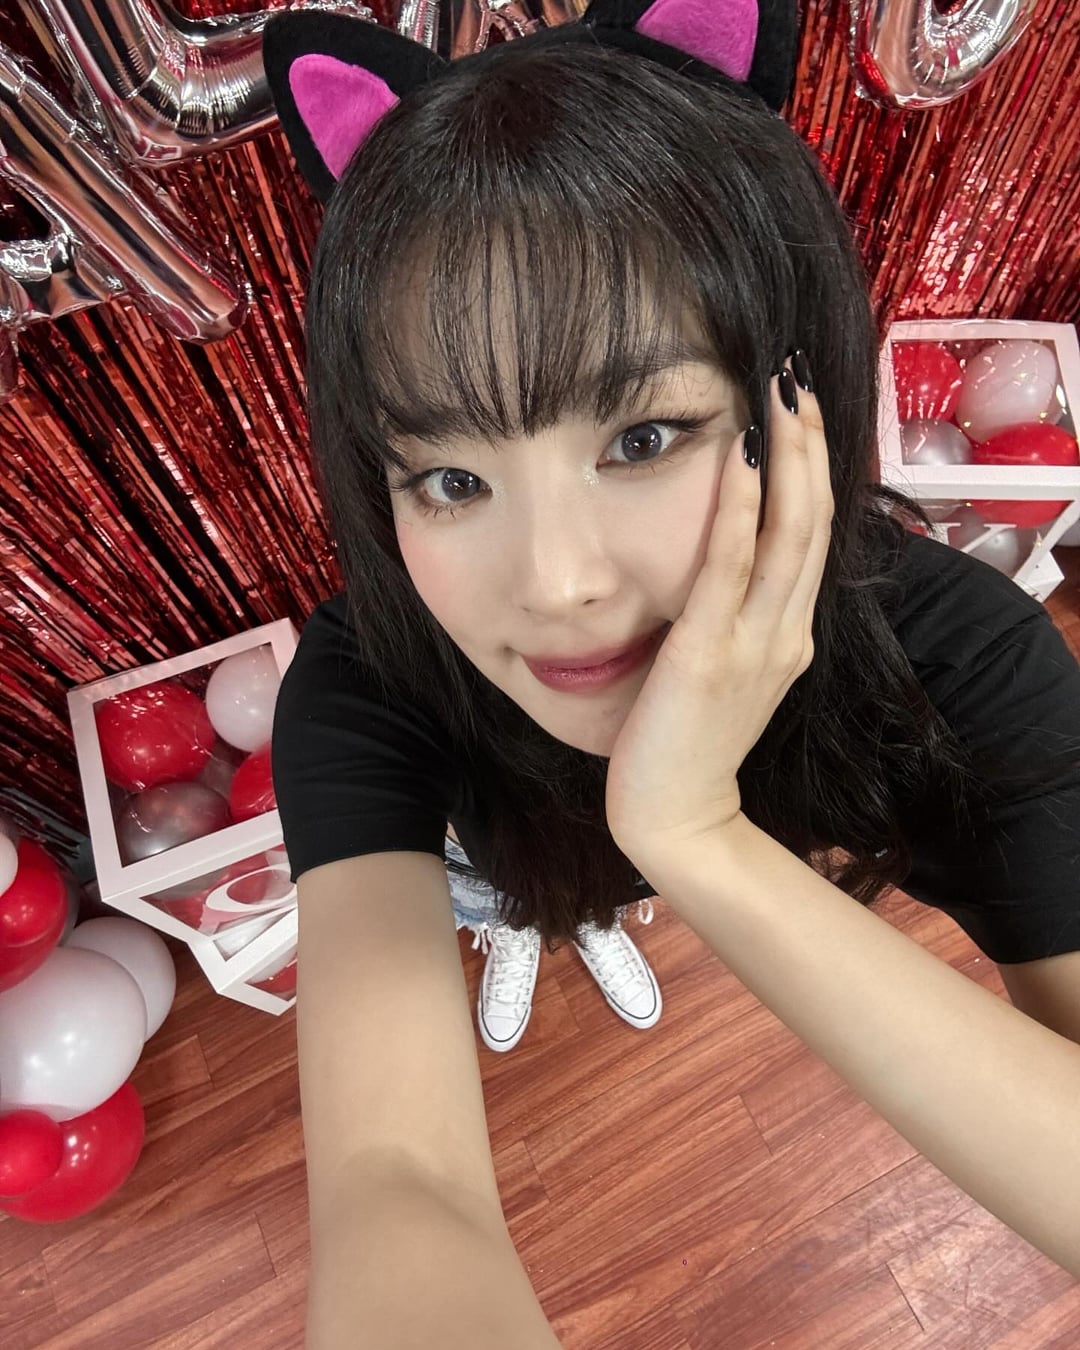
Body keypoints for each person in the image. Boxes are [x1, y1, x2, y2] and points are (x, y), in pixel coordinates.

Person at [262, 1, 1080, 1344]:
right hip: (512, 846)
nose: (556, 584)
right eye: (452, 480)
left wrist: (700, 840)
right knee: (522, 882)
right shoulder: (368, 683)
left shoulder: (957, 657)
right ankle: (549, 917)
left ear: (791, 390)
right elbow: (395, 1181)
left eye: (642, 438)